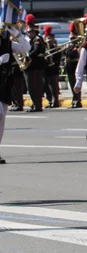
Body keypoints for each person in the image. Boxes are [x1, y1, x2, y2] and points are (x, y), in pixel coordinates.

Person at [0, 25, 29, 164]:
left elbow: (25, 48)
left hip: (3, 83)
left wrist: (17, 34)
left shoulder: (7, 42)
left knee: (2, 118)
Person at [23, 15, 47, 112]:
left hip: (36, 67)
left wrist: (27, 56)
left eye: (29, 32)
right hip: (32, 67)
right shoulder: (32, 40)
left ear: (34, 31)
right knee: (31, 87)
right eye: (27, 32)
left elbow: (36, 51)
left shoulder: (37, 39)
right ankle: (35, 103)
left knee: (35, 86)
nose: (28, 34)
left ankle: (37, 105)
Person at [64, 22, 83, 108]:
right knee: (72, 84)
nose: (71, 39)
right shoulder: (69, 45)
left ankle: (78, 100)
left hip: (75, 66)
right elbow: (65, 53)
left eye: (73, 38)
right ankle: (74, 99)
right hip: (69, 67)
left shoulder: (78, 45)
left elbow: (73, 54)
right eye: (71, 38)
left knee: (76, 84)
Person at [42, 25, 61, 108]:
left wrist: (51, 56)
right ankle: (50, 101)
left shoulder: (56, 49)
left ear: (53, 40)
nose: (49, 42)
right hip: (46, 70)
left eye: (50, 40)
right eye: (47, 40)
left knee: (53, 87)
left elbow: (58, 59)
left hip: (54, 70)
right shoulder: (45, 49)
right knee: (46, 87)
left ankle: (55, 101)